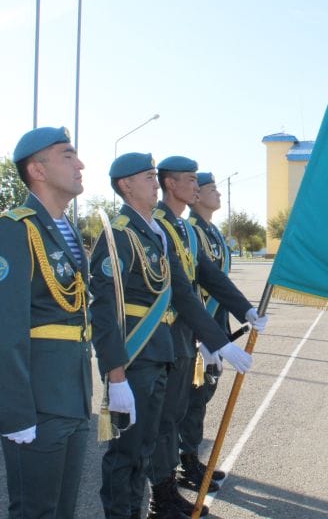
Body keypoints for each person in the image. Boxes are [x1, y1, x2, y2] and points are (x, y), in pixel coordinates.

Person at [90, 153, 253, 519]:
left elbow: (182, 290)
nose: (155, 184)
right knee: (126, 453)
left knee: (145, 446)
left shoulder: (155, 233)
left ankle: (147, 506)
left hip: (161, 351)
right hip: (135, 356)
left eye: (155, 176)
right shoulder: (119, 235)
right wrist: (115, 374)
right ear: (126, 185)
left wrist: (222, 337)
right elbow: (103, 310)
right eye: (148, 177)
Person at [0, 127, 92, 519]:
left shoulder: (64, 229)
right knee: (35, 510)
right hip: (38, 403)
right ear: (37, 170)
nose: (80, 164)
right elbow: (2, 331)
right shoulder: (15, 228)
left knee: (62, 509)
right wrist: (16, 414)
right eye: (68, 155)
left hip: (72, 397)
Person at [146, 156, 265, 517]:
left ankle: (169, 488)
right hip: (165, 336)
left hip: (186, 333)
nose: (197, 187)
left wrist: (245, 309)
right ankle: (161, 494)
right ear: (171, 184)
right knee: (166, 420)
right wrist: (216, 341)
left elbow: (209, 275)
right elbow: (182, 291)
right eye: (191, 180)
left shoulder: (181, 228)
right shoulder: (158, 225)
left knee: (176, 413)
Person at [177, 170, 258, 492]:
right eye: (212, 188)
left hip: (216, 326)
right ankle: (185, 464)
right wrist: (202, 338)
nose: (218, 193)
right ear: (196, 196)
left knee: (201, 399)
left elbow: (218, 281)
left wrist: (244, 311)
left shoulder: (210, 231)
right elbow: (192, 287)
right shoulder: (192, 231)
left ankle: (191, 458)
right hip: (201, 331)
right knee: (193, 401)